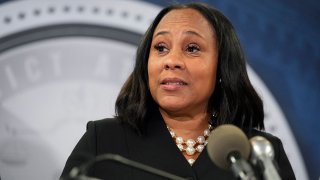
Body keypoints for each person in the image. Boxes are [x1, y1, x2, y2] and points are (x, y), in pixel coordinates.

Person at [60, 2, 295, 180]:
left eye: (192, 48)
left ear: (222, 66)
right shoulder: (104, 141)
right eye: (160, 48)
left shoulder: (261, 152)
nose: (171, 61)